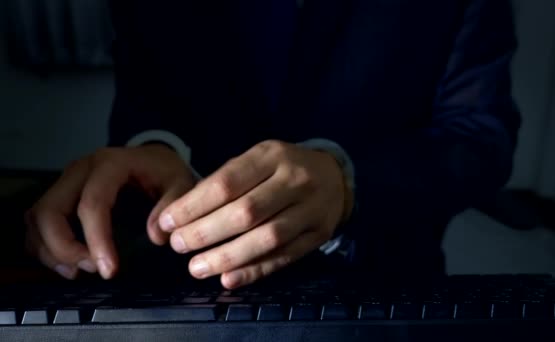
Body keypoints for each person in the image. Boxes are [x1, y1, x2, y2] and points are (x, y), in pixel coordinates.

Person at [24, 0, 521, 289]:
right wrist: (157, 147)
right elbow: (147, 90)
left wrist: (349, 183)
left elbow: (480, 136)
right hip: (177, 299)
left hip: (385, 295)